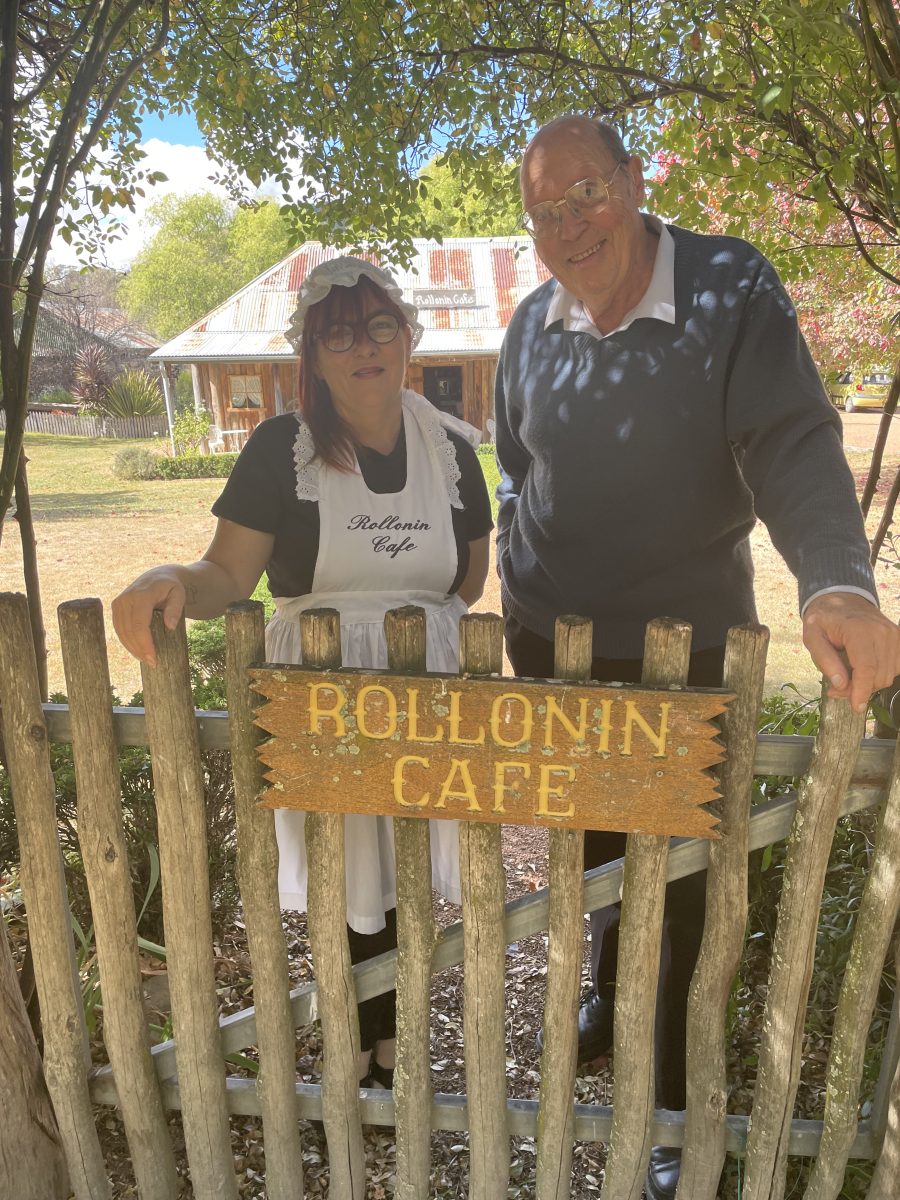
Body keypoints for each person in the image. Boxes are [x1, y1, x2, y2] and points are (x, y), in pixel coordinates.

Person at [495, 115, 900, 1200]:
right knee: (586, 844)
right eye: (545, 211)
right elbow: (510, 460)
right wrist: (506, 553)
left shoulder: (727, 287)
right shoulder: (531, 323)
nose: (571, 225)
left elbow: (791, 440)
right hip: (553, 642)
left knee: (678, 895)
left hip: (686, 654)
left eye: (588, 193)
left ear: (634, 181)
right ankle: (596, 996)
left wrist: (836, 580)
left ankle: (670, 1108)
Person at [113, 256, 493, 1097]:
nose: (366, 347)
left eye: (381, 326)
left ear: (408, 336)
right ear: (313, 356)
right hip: (323, 692)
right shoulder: (280, 450)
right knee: (346, 875)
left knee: (404, 876)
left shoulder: (455, 454)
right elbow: (225, 576)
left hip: (423, 686)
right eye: (341, 333)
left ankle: (393, 1047)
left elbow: (465, 584)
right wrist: (168, 579)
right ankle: (357, 1044)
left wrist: (406, 634)